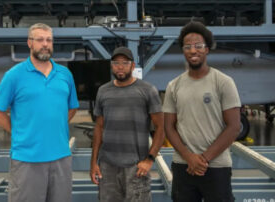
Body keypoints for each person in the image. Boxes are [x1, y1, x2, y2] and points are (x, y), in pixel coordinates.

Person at [0, 23, 79, 202]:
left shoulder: (65, 74)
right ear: (29, 43)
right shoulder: (14, 75)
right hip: (27, 159)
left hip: (61, 157)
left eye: (49, 40)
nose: (45, 44)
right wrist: (17, 131)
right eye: (39, 40)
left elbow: (72, 107)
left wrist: (54, 127)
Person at [162, 21, 241, 202]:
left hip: (216, 166)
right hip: (183, 166)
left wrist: (203, 159)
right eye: (188, 46)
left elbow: (234, 126)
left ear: (207, 49)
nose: (193, 50)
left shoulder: (223, 82)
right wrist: (189, 158)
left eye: (198, 46)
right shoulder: (174, 86)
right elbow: (169, 127)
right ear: (183, 51)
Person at [90, 46, 164, 202]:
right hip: (107, 166)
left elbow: (161, 127)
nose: (120, 67)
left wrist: (149, 159)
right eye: (116, 63)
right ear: (111, 65)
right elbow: (99, 127)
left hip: (136, 167)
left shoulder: (147, 90)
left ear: (132, 65)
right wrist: (94, 162)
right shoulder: (103, 91)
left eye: (125, 62)